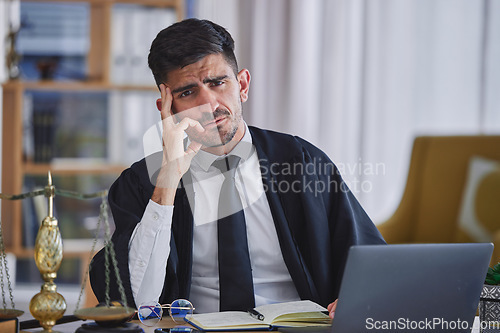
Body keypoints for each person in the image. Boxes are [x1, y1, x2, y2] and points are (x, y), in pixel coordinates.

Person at [89, 18, 385, 318]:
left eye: (218, 83)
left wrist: (354, 298)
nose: (209, 103)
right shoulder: (141, 183)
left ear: (242, 85)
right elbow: (133, 299)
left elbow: (372, 264)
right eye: (187, 92)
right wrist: (167, 180)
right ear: (168, 107)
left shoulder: (302, 162)